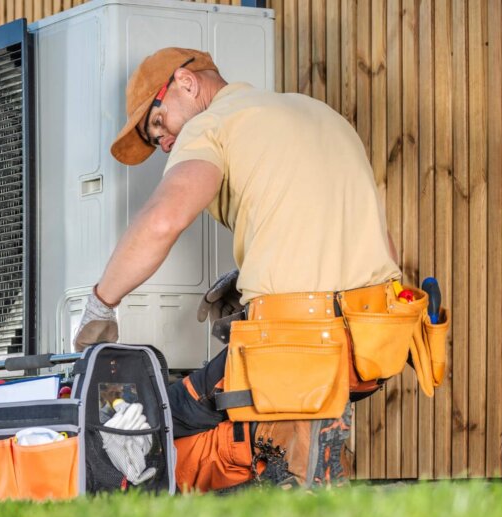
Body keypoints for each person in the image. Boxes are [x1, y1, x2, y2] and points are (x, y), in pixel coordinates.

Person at [73, 47, 402, 491]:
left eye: (158, 124)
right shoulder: (318, 113)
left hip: (295, 344)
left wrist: (101, 304)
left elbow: (163, 220)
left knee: (159, 415)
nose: (165, 143)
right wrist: (258, 279)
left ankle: (281, 471)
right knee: (256, 407)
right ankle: (302, 458)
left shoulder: (212, 124)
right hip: (371, 343)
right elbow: (380, 243)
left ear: (186, 84)